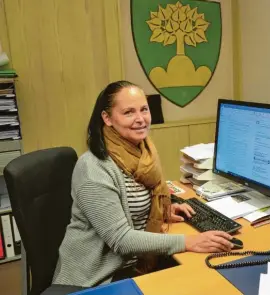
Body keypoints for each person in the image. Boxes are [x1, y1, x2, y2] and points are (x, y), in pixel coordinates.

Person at [53, 81, 234, 287]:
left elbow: (130, 206)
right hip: (99, 276)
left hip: (136, 261)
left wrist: (163, 210)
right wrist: (189, 241)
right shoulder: (93, 167)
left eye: (144, 110)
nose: (140, 119)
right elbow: (121, 240)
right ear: (107, 118)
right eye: (129, 112)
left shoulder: (143, 152)